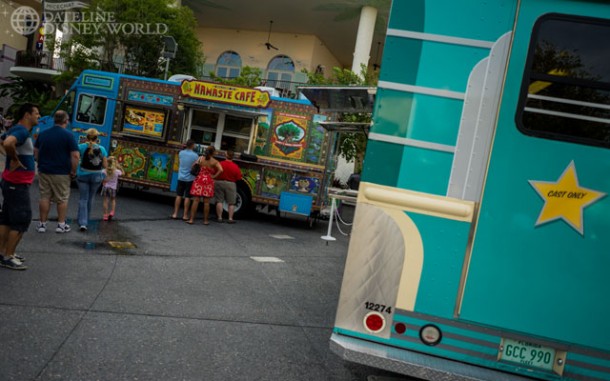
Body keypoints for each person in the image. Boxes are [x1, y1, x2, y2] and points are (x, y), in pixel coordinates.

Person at [0, 103, 40, 270]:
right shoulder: (21, 131)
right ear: (26, 115)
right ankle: (8, 256)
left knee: (7, 218)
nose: (39, 116)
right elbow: (8, 142)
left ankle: (3, 253)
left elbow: (2, 141)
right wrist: (14, 158)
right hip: (17, 184)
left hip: (11, 182)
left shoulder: (18, 129)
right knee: (22, 219)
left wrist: (11, 156)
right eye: (36, 113)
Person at [34, 110, 80, 233]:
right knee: (62, 199)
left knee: (45, 197)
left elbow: (36, 151)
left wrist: (40, 163)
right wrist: (73, 171)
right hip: (62, 172)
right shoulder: (69, 135)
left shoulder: (43, 133)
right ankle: (60, 224)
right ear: (66, 121)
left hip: (44, 170)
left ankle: (42, 224)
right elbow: (75, 155)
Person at [76, 128, 107, 232]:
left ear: (86, 136)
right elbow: (105, 165)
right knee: (91, 198)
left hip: (83, 174)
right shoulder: (102, 149)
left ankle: (82, 222)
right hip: (96, 176)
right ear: (97, 138)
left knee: (83, 199)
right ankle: (85, 220)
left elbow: (75, 158)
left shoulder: (80, 147)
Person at [188, 146, 223, 225]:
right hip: (208, 181)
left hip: (199, 180)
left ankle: (191, 219)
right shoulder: (215, 161)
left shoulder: (200, 158)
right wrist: (214, 176)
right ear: (213, 152)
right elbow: (221, 170)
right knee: (206, 202)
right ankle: (205, 220)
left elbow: (193, 166)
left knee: (196, 200)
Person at [171, 139, 199, 221]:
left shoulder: (181, 153)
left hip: (181, 177)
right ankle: (185, 215)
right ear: (192, 145)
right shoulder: (195, 156)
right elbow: (196, 166)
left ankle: (175, 213)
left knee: (179, 195)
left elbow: (180, 163)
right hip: (190, 178)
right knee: (187, 197)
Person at [214, 150, 242, 224]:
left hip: (219, 182)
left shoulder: (220, 163)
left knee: (219, 201)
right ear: (233, 157)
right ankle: (230, 218)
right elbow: (239, 178)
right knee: (231, 203)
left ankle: (220, 218)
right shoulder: (235, 166)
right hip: (231, 184)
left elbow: (215, 172)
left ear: (225, 155)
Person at [101, 156, 123, 221]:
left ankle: (105, 215)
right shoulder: (117, 171)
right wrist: (119, 167)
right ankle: (112, 212)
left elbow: (102, 177)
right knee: (113, 200)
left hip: (105, 187)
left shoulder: (104, 170)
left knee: (105, 201)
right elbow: (122, 173)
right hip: (113, 188)